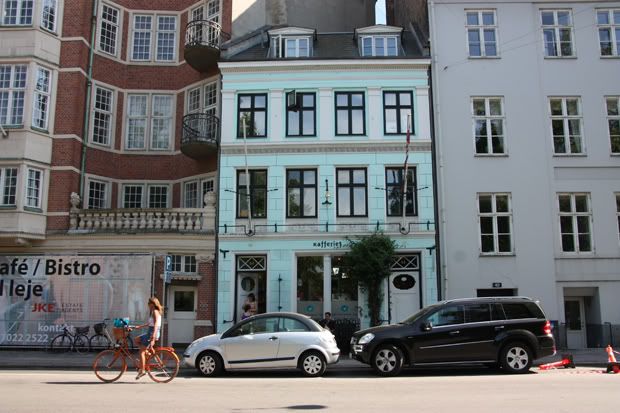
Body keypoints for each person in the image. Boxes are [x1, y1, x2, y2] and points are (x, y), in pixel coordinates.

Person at [133, 296, 162, 380]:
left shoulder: (155, 312)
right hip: (150, 332)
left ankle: (142, 370)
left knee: (141, 352)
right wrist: (140, 326)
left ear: (152, 304)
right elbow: (150, 324)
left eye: (149, 303)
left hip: (152, 333)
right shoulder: (154, 312)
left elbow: (156, 324)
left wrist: (153, 335)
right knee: (136, 340)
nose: (148, 305)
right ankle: (146, 353)